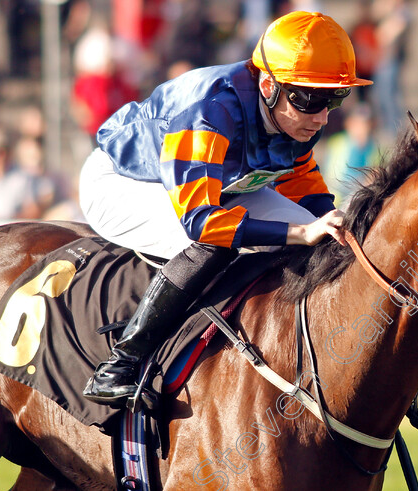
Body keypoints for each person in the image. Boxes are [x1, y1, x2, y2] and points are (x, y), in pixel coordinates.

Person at [78, 11, 372, 405]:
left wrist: (332, 227)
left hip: (217, 185)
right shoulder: (209, 108)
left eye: (334, 99)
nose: (321, 116)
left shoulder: (294, 118)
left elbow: (308, 190)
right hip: (122, 181)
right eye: (311, 99)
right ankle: (122, 363)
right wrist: (299, 232)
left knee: (326, 243)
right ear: (268, 85)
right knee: (219, 241)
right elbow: (201, 222)